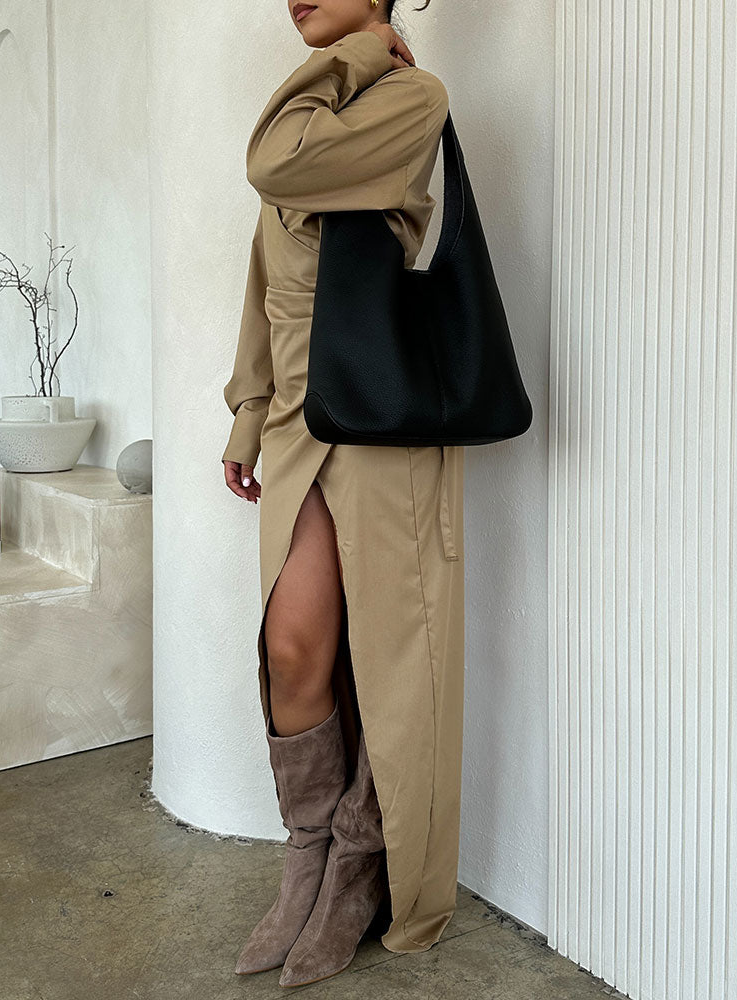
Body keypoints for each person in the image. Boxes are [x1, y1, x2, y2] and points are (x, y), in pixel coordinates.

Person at [221, 0, 464, 988]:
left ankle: (363, 864)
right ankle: (308, 854)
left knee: (394, 662)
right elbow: (262, 277)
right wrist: (246, 410)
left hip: (380, 424)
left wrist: (364, 51)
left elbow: (270, 163)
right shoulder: (314, 112)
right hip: (294, 425)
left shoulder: (410, 98)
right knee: (295, 643)